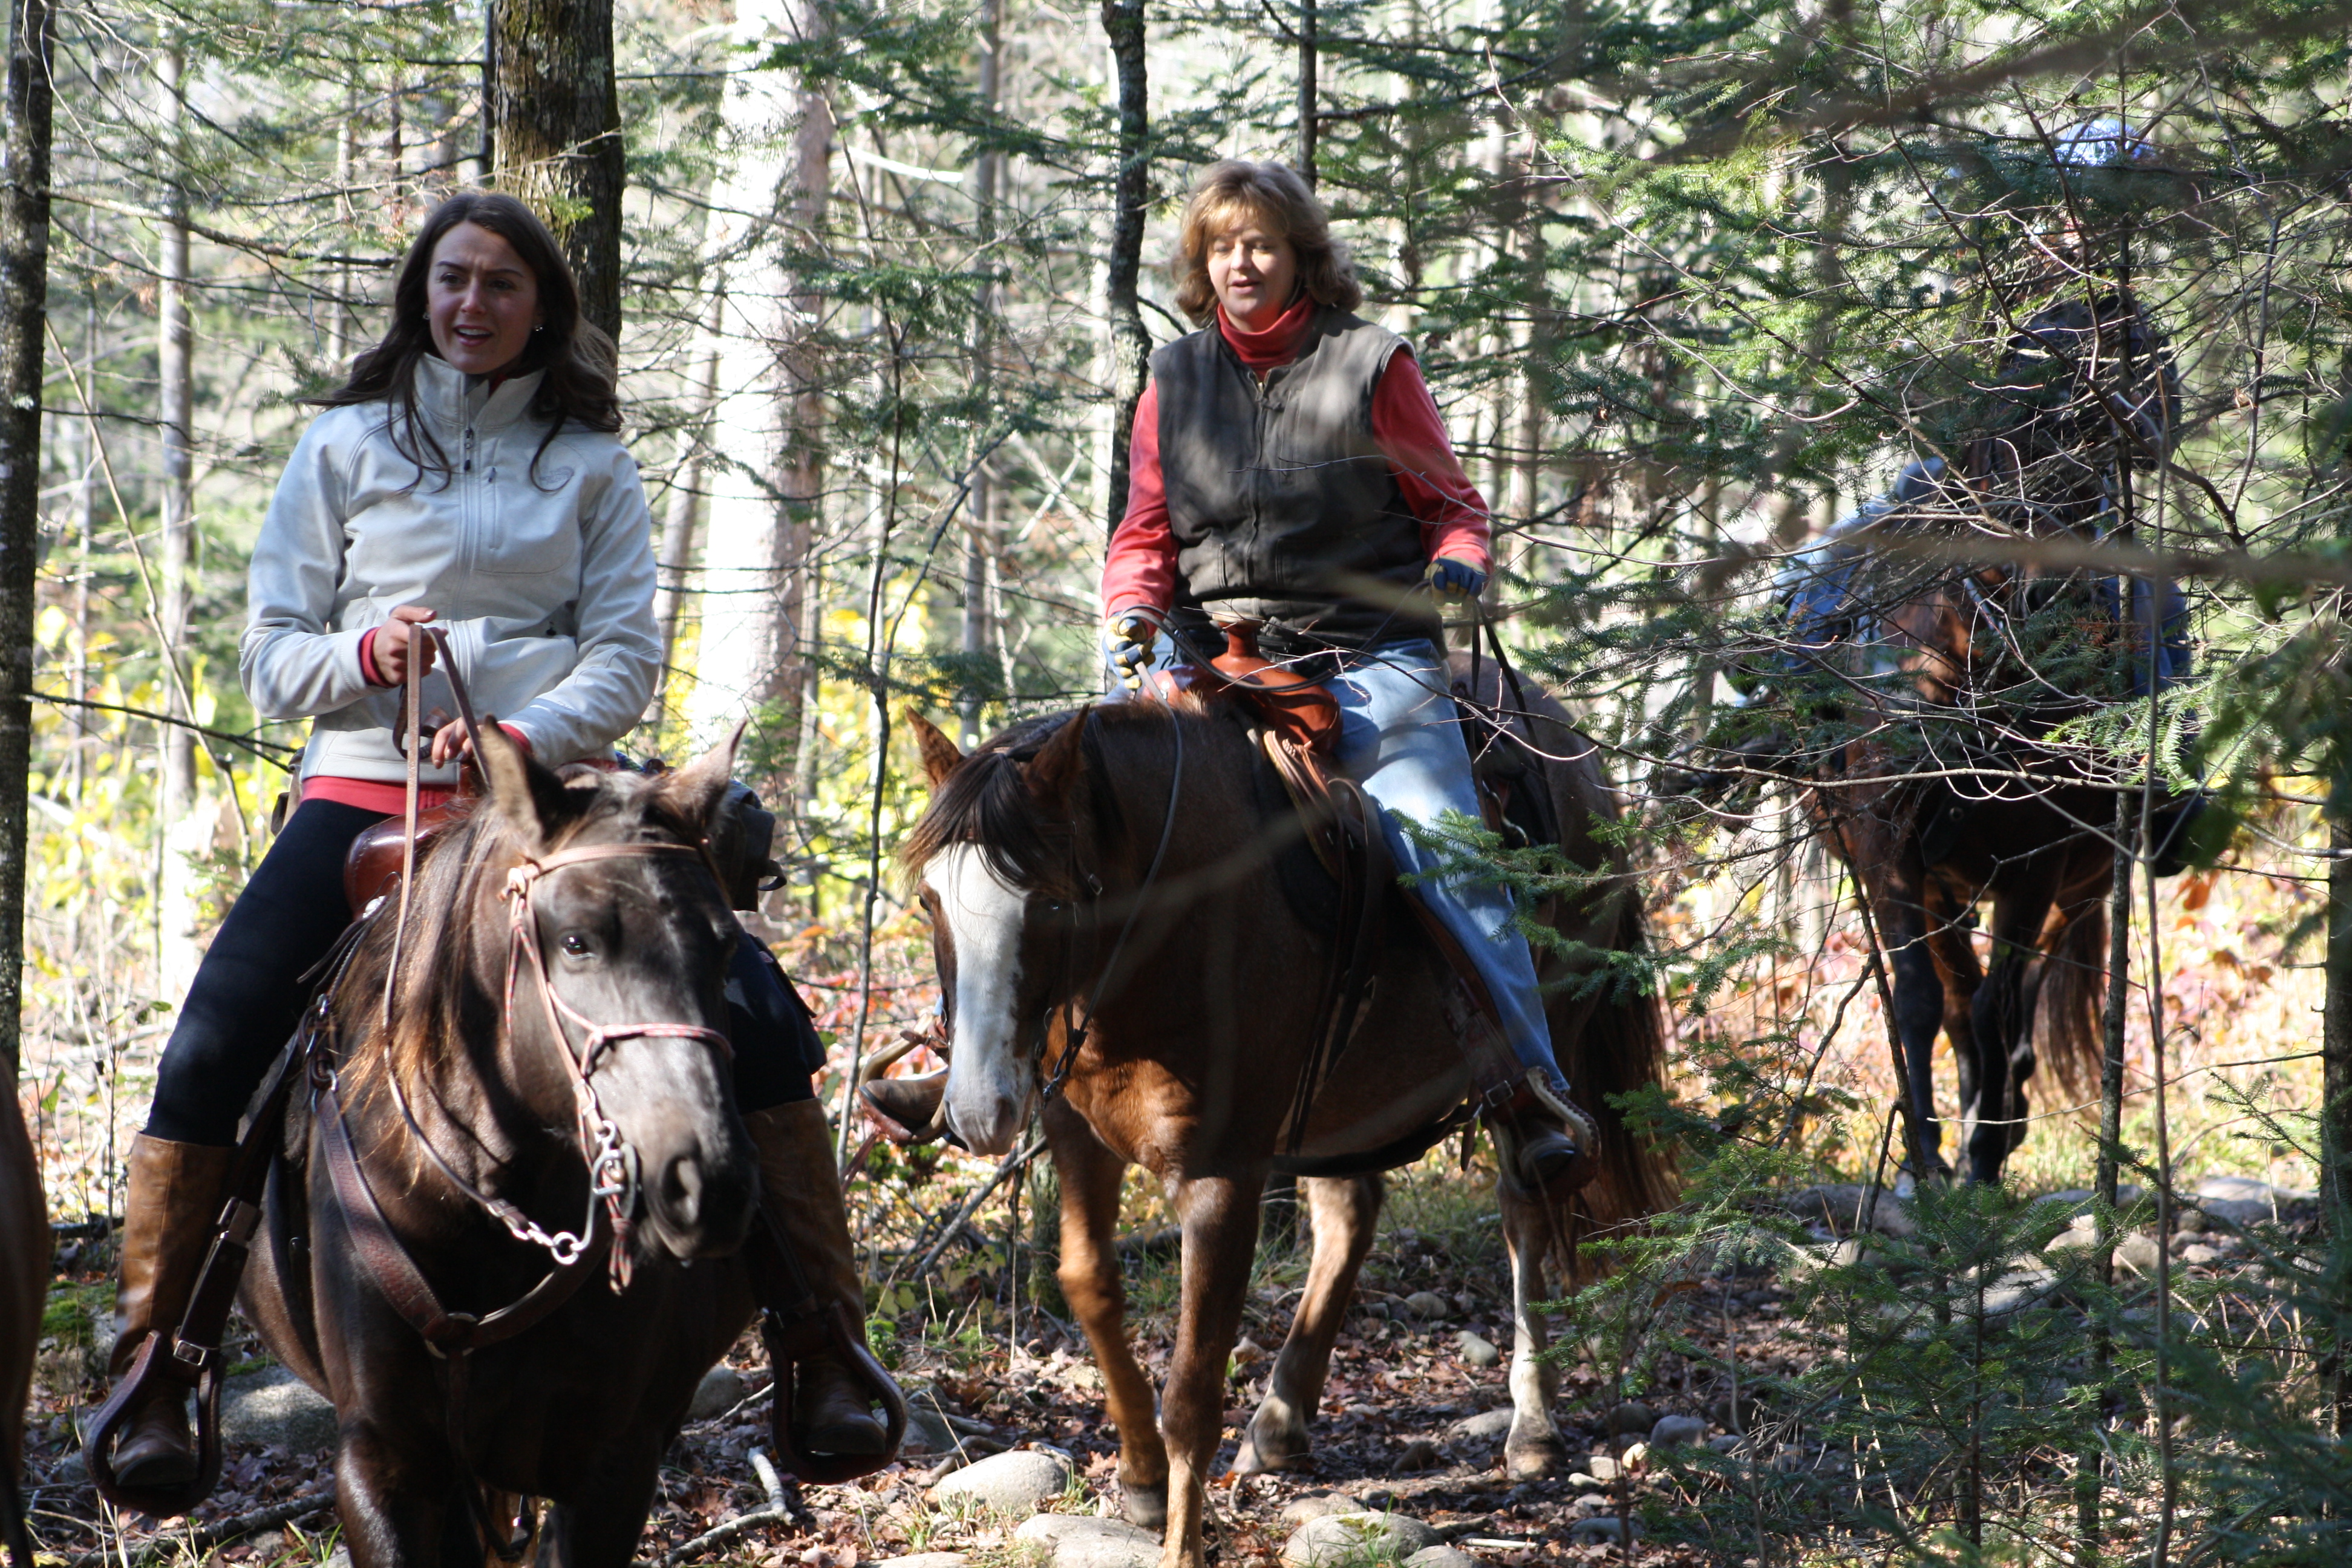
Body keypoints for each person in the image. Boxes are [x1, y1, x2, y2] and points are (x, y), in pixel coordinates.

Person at [103, 191, 886, 1489]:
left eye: (502, 284)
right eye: (453, 279)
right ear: (423, 291)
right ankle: (156, 1367)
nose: (472, 305)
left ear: (543, 309)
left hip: (554, 806)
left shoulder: (591, 465)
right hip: (364, 793)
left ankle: (824, 1344)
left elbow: (627, 654)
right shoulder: (344, 445)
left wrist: (520, 736)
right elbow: (266, 657)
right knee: (216, 1037)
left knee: (756, 1015)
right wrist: (365, 653)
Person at [866, 160, 1587, 1186]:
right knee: (1034, 836)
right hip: (1208, 662)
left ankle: (1526, 1087)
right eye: (1221, 247)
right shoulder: (1175, 377)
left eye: (1260, 244)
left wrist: (1459, 564)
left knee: (1446, 850)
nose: (1241, 263)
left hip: (1363, 656)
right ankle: (970, 1059)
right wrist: (1130, 608)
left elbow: (1452, 507)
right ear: (1201, 265)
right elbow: (1145, 532)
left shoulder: (1372, 363)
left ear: (1300, 256)